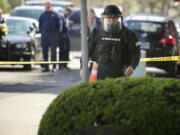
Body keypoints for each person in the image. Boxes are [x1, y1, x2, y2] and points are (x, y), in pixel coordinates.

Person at [80, 5, 141, 80]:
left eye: (114, 18)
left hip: (120, 73)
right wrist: (82, 67)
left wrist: (132, 66)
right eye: (109, 18)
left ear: (118, 18)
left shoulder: (127, 34)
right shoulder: (97, 33)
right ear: (104, 18)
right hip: (100, 73)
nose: (111, 21)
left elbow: (136, 52)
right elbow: (86, 50)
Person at [39, 0, 62, 72]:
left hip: (53, 35)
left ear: (51, 5)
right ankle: (46, 67)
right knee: (45, 51)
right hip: (45, 35)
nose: (47, 6)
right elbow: (40, 24)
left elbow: (60, 24)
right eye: (46, 4)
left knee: (53, 51)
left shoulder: (55, 14)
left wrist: (58, 33)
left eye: (48, 4)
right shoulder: (43, 15)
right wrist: (41, 32)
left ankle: (54, 67)